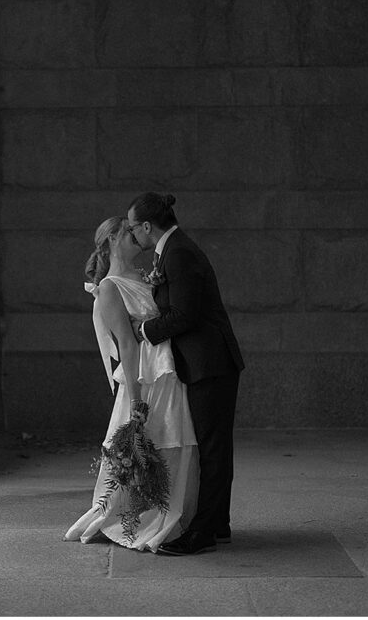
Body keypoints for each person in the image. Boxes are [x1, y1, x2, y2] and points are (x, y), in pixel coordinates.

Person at [64, 216, 199, 553]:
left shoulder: (144, 275)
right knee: (150, 440)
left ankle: (174, 513)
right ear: (111, 238)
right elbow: (126, 343)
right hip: (146, 373)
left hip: (169, 367)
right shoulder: (109, 288)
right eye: (128, 231)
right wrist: (136, 401)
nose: (137, 237)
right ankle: (141, 516)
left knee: (176, 438)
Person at [126, 192, 245, 556]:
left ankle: (203, 532)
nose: (132, 237)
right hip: (207, 362)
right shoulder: (174, 249)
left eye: (133, 229)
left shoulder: (179, 252)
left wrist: (144, 332)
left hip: (211, 364)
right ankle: (218, 524)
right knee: (214, 447)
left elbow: (186, 314)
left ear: (147, 226)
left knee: (213, 448)